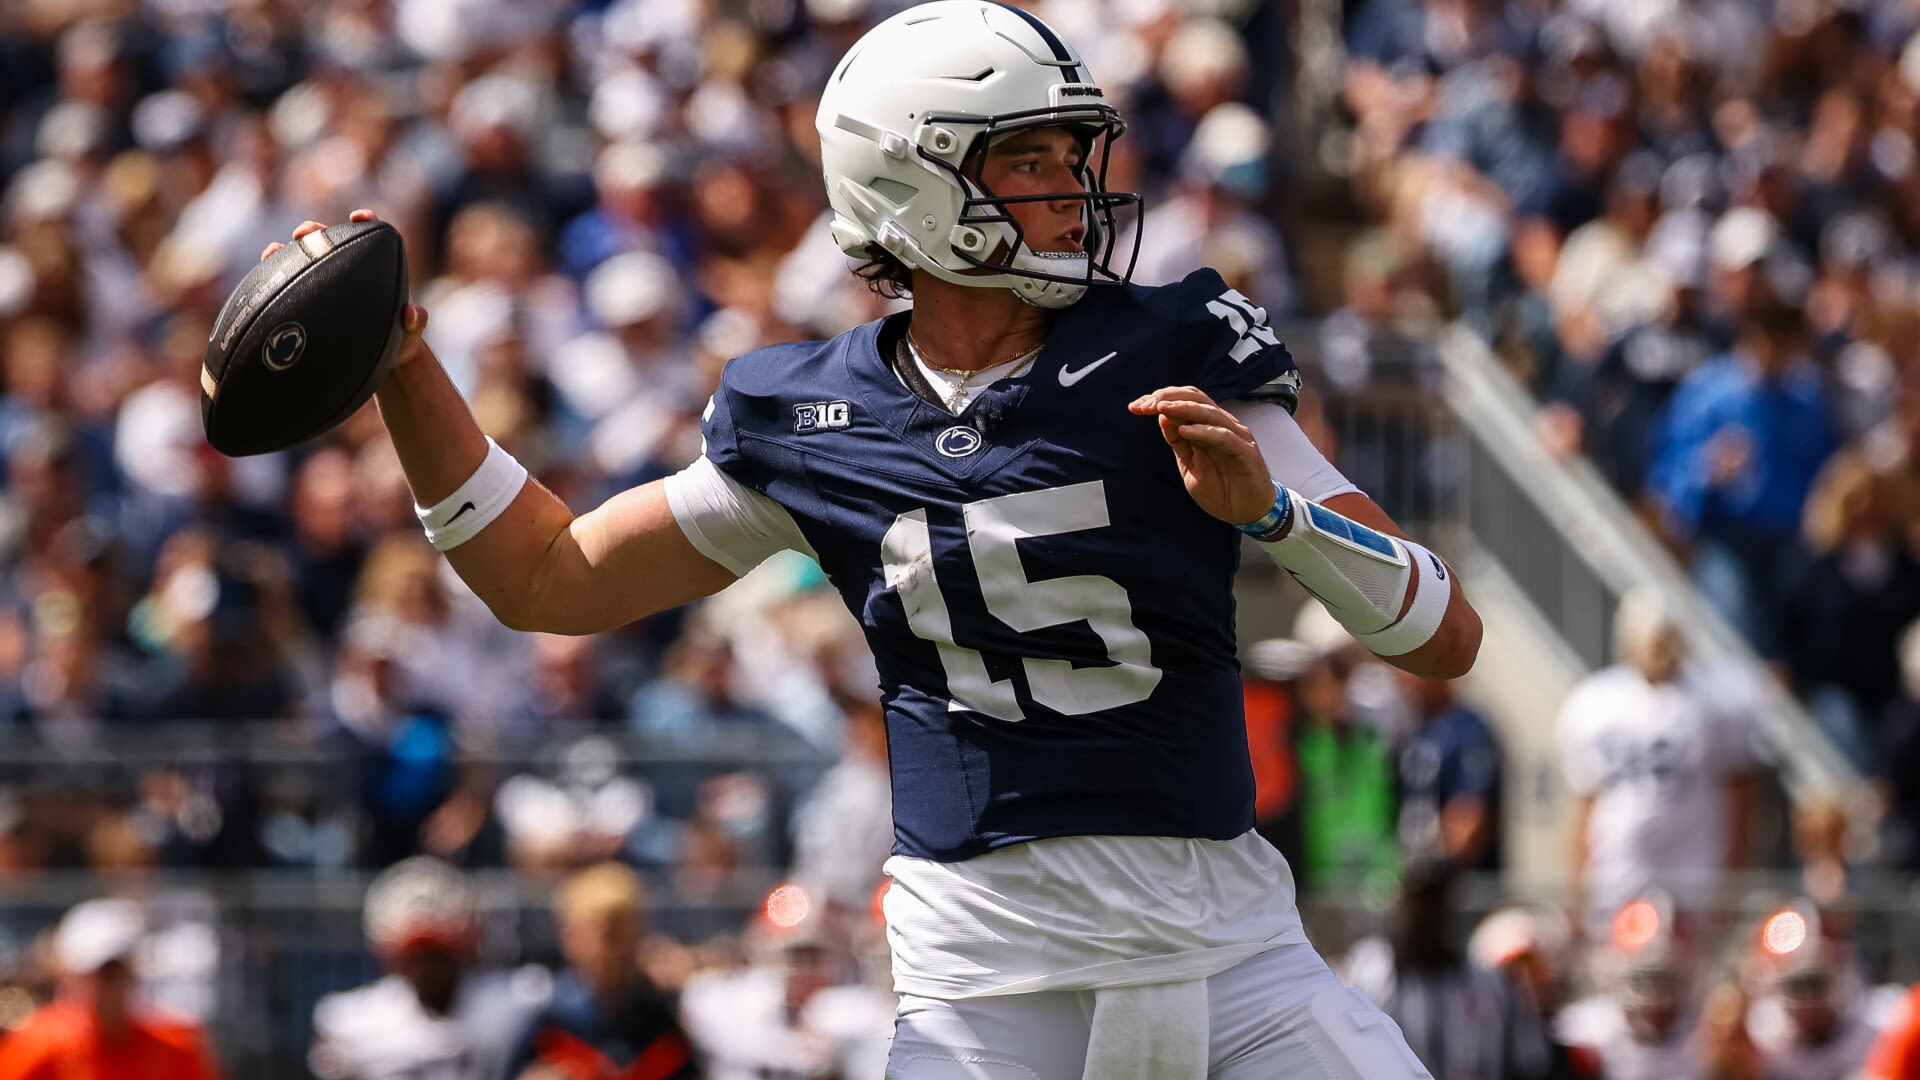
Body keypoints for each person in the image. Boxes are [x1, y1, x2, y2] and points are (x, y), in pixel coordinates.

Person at [268, 3, 1481, 1074]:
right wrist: (406, 368)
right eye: (1030, 159)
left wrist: (1275, 517)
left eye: (1072, 152)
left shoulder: (1172, 347)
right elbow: (549, 578)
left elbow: (1444, 635)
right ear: (915, 185)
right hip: (988, 999)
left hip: (1237, 966)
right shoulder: (807, 421)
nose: (1072, 185)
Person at [1556, 587, 1756, 935]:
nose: (1658, 649)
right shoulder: (1594, 703)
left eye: (1665, 638)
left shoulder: (1716, 702)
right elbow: (1585, 803)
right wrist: (1578, 892)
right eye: (1649, 637)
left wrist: (1730, 882)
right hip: (1616, 878)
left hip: (1694, 875)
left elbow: (1740, 797)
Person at [309, 856, 548, 1080]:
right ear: (395, 960)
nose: (426, 969)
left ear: (461, 952)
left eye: (437, 956)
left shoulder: (515, 1003)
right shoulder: (353, 1021)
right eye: (415, 957)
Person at [506, 861, 696, 1080]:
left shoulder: (661, 1023)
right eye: (602, 934)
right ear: (569, 936)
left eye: (619, 933)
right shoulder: (547, 1023)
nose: (611, 951)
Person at [0, 897, 222, 1080]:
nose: (106, 986)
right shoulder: (37, 1044)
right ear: (69, 975)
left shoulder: (176, 1046)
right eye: (97, 974)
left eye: (115, 973)